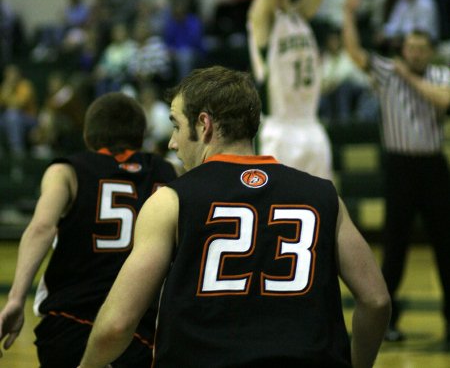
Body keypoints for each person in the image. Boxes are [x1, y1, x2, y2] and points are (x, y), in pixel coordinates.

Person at [77, 65, 390, 368]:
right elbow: (376, 301)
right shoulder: (324, 195)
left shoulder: (170, 201)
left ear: (204, 125)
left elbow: (117, 324)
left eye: (176, 125)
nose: (172, 142)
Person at [0, 91, 177, 367]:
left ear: (87, 134)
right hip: (135, 328)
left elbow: (41, 228)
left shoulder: (66, 171)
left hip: (72, 319)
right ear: (141, 134)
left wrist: (16, 298)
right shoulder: (169, 172)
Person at [343, 0, 450, 347]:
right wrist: (348, 13)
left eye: (423, 48)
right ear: (403, 49)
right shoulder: (388, 72)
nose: (417, 53)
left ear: (429, 51)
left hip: (434, 168)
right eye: (412, 48)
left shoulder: (438, 74)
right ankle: (387, 323)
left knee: (445, 247)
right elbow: (354, 52)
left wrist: (411, 78)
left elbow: (443, 101)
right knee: (396, 248)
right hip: (400, 168)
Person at [247, 0, 332, 179]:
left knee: (323, 207)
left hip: (311, 123)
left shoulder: (298, 16)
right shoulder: (261, 18)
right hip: (279, 129)